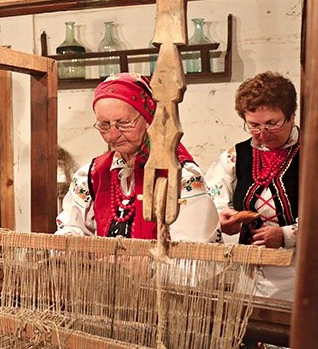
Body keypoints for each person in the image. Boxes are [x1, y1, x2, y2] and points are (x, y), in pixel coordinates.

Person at [56, 73, 220, 243]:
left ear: (148, 118)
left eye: (124, 123)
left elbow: (195, 253)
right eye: (104, 125)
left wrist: (145, 264)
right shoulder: (92, 175)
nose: (113, 134)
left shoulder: (181, 176)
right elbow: (71, 227)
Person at [205, 71, 299, 301]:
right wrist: (222, 216)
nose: (263, 134)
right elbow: (211, 194)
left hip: (302, 273)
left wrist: (286, 235)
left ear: (292, 116)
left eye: (272, 124)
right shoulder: (236, 156)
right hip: (249, 275)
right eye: (253, 125)